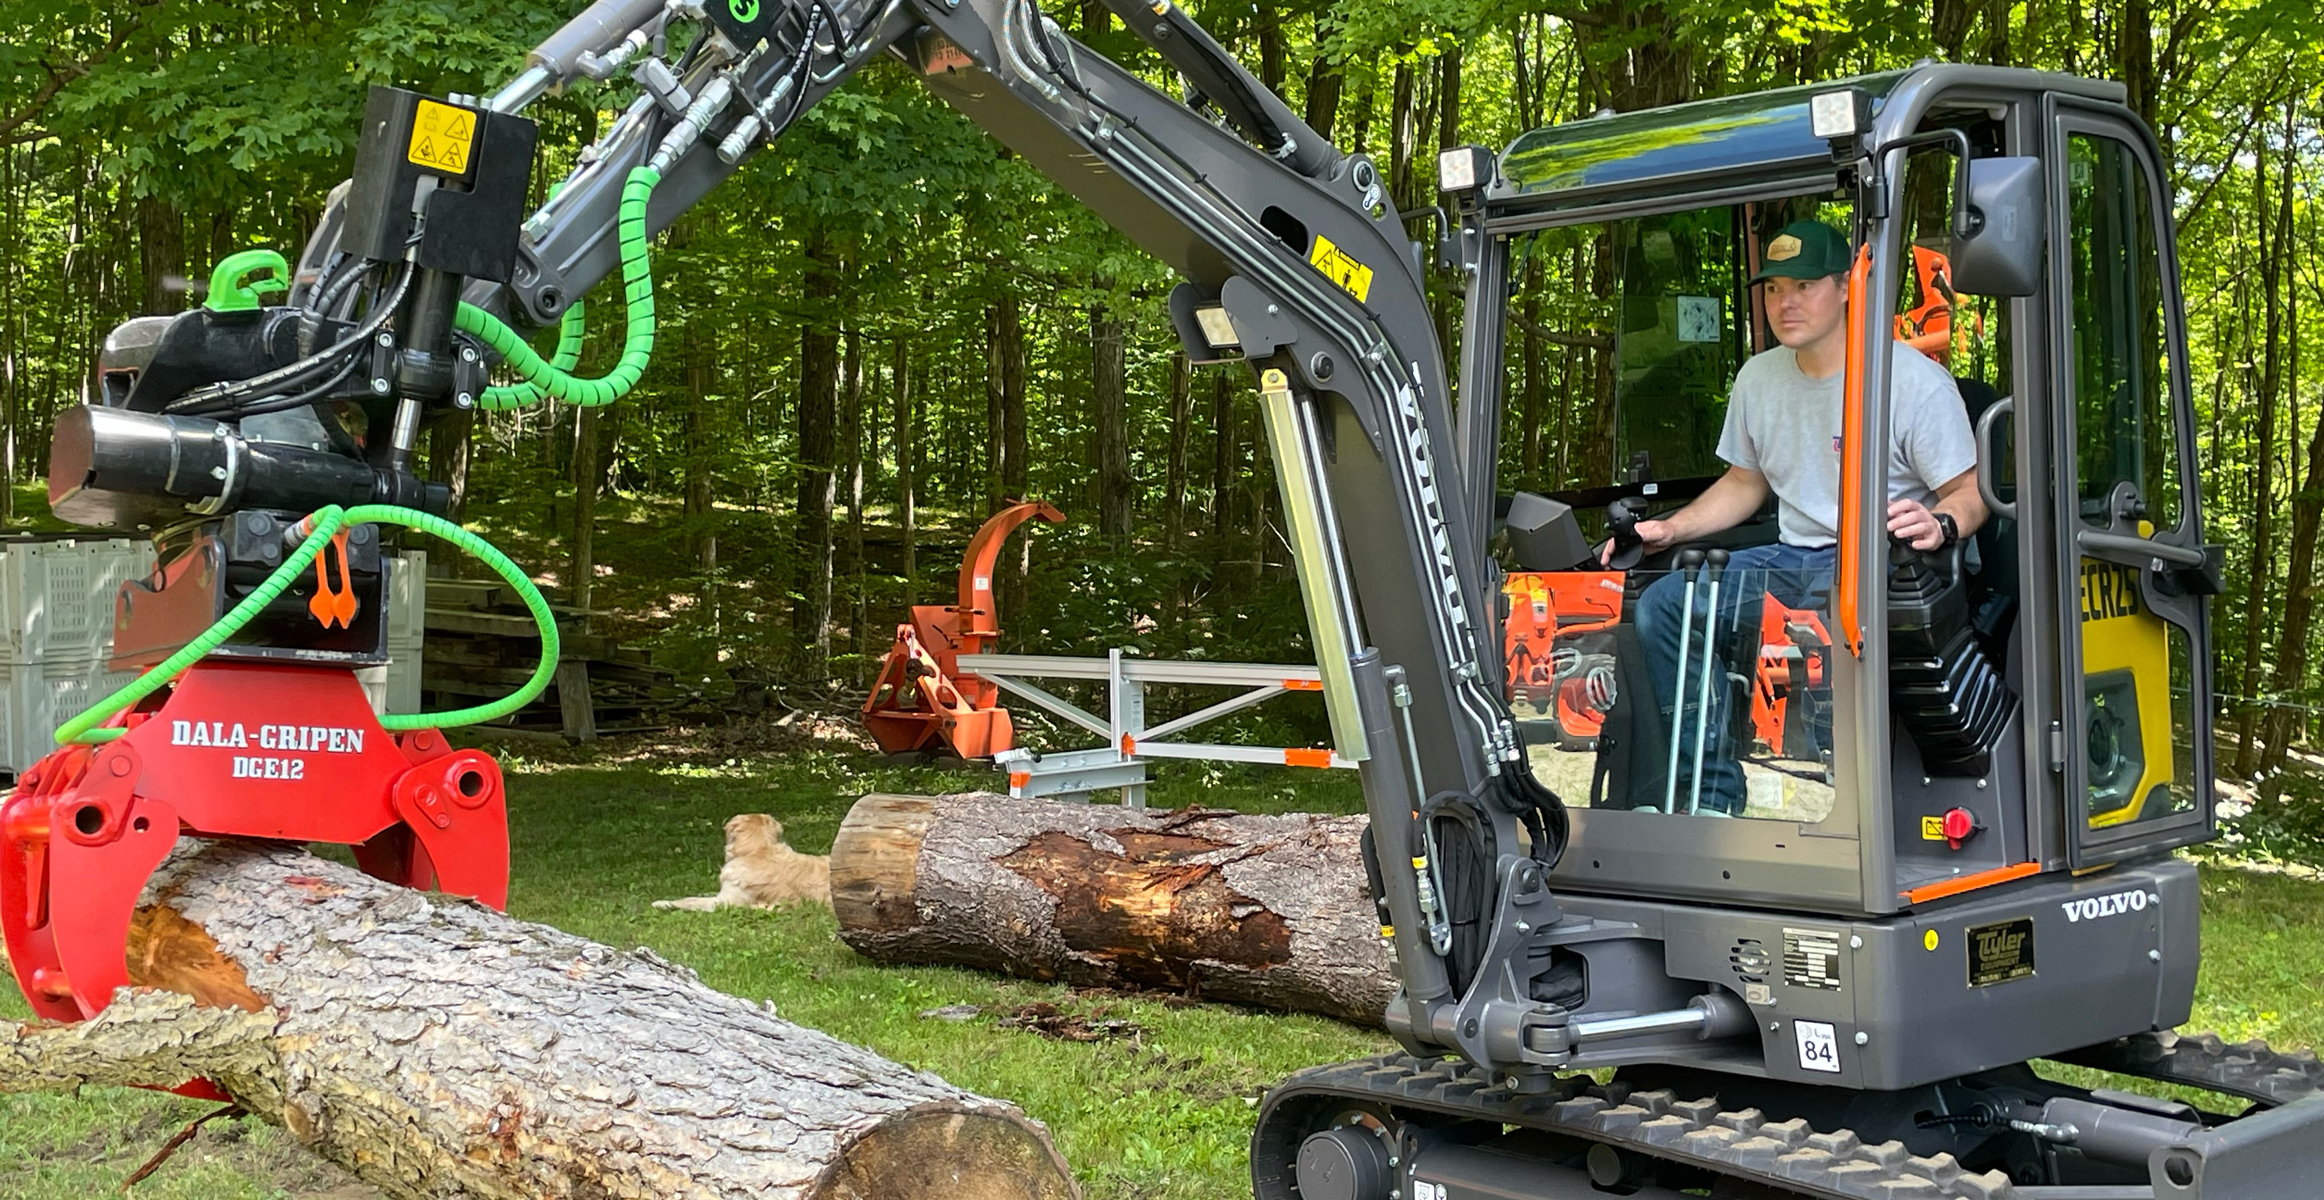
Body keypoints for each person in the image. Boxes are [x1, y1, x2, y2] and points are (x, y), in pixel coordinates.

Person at [1618, 220, 1988, 815]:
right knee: (1668, 605)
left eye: (1804, 285)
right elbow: (1745, 482)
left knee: (1841, 617)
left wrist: (1939, 524)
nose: (1784, 303)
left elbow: (1969, 494)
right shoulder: (1757, 379)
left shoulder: (1911, 382)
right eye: (1773, 289)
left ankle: (1864, 816)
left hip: (1884, 563)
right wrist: (1672, 528)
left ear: (1847, 287)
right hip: (1793, 559)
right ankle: (1712, 797)